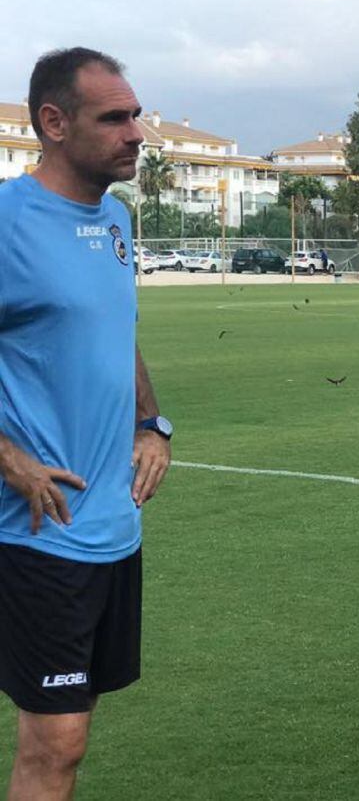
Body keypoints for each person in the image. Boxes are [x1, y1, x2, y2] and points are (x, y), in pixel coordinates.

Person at [0, 48, 172, 800]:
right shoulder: (7, 222)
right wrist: (9, 457)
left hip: (113, 522)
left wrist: (152, 423)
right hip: (36, 527)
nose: (136, 131)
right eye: (115, 117)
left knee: (74, 728)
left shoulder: (116, 217)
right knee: (56, 741)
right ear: (53, 123)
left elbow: (116, 329)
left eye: (135, 114)